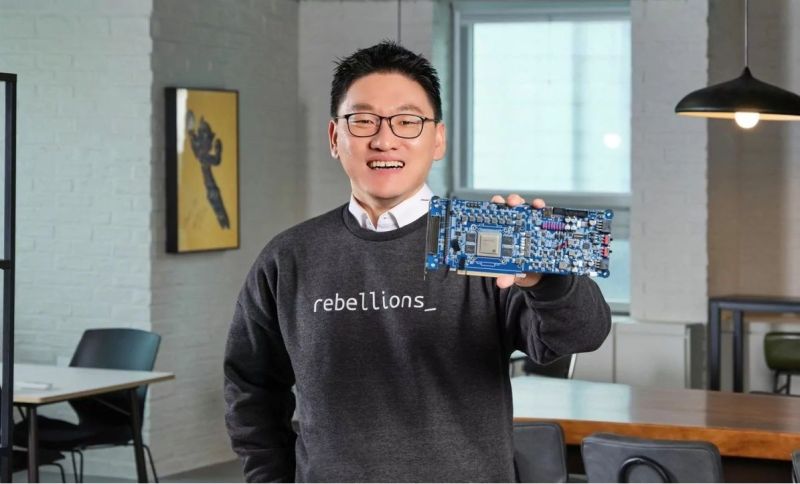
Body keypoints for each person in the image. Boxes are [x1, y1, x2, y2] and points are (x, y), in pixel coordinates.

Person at [224, 40, 611, 482]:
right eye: (363, 120)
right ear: (336, 137)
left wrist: (546, 279)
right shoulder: (289, 256)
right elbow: (250, 387)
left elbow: (584, 333)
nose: (384, 139)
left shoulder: (488, 245)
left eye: (407, 121)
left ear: (437, 139)